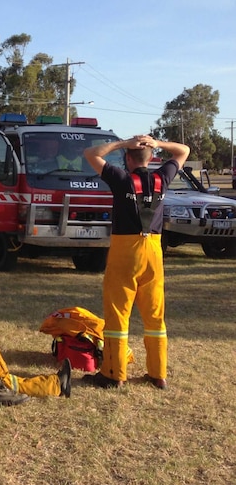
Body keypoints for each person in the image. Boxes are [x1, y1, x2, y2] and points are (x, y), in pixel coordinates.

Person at [83, 134, 189, 389]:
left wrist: (123, 143)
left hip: (125, 251)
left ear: (128, 158)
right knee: (155, 316)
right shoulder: (161, 177)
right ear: (151, 158)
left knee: (118, 314)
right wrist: (158, 144)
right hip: (154, 251)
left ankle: (113, 373)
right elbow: (183, 150)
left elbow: (91, 154)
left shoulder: (120, 178)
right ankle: (157, 374)